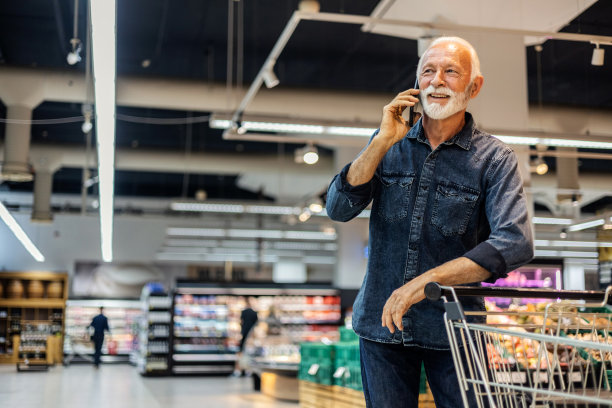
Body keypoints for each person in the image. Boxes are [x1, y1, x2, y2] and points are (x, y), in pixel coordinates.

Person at [326, 36, 534, 407]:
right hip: (381, 326)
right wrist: (380, 143)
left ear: (474, 86)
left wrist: (424, 284)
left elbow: (514, 241)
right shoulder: (388, 144)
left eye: (451, 71)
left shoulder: (495, 159)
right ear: (417, 82)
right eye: (428, 71)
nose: (437, 80)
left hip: (456, 329)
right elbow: (338, 208)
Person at [234, 297, 258, 376]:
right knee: (250, 354)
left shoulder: (243, 312)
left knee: (240, 353)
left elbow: (241, 322)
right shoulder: (254, 313)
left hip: (244, 334)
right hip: (251, 337)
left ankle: (238, 371)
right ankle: (249, 371)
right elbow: (256, 325)